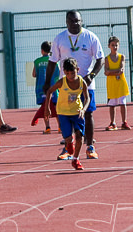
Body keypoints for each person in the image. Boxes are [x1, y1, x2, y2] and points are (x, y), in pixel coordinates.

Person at [46, 10, 104, 159]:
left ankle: (90, 146)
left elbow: (100, 59)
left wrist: (91, 75)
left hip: (85, 84)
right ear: (66, 22)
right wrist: (47, 82)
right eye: (72, 21)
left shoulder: (90, 37)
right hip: (65, 85)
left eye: (78, 21)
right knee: (66, 114)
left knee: (88, 113)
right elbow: (52, 62)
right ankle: (67, 147)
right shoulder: (60, 38)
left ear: (81, 21)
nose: (75, 23)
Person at [45, 58, 89, 171]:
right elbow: (50, 91)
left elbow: (87, 98)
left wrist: (83, 109)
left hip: (77, 112)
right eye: (68, 73)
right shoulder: (62, 82)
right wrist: (47, 109)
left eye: (73, 72)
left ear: (77, 70)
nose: (70, 75)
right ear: (64, 72)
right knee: (68, 138)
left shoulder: (81, 82)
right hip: (63, 113)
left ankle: (76, 159)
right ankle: (69, 143)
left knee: (80, 136)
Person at [30, 41, 58, 133]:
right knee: (55, 107)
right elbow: (58, 73)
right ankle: (60, 127)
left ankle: (48, 127)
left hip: (41, 88)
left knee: (45, 106)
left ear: (42, 51)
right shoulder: (54, 61)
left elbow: (34, 74)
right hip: (53, 87)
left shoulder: (37, 61)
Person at [104, 36, 130, 130]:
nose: (114, 47)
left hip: (121, 84)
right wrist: (115, 71)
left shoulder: (121, 57)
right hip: (111, 84)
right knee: (112, 104)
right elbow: (106, 72)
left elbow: (121, 70)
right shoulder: (107, 59)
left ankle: (124, 122)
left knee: (123, 103)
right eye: (112, 45)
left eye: (116, 45)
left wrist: (111, 71)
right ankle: (113, 122)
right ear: (109, 46)